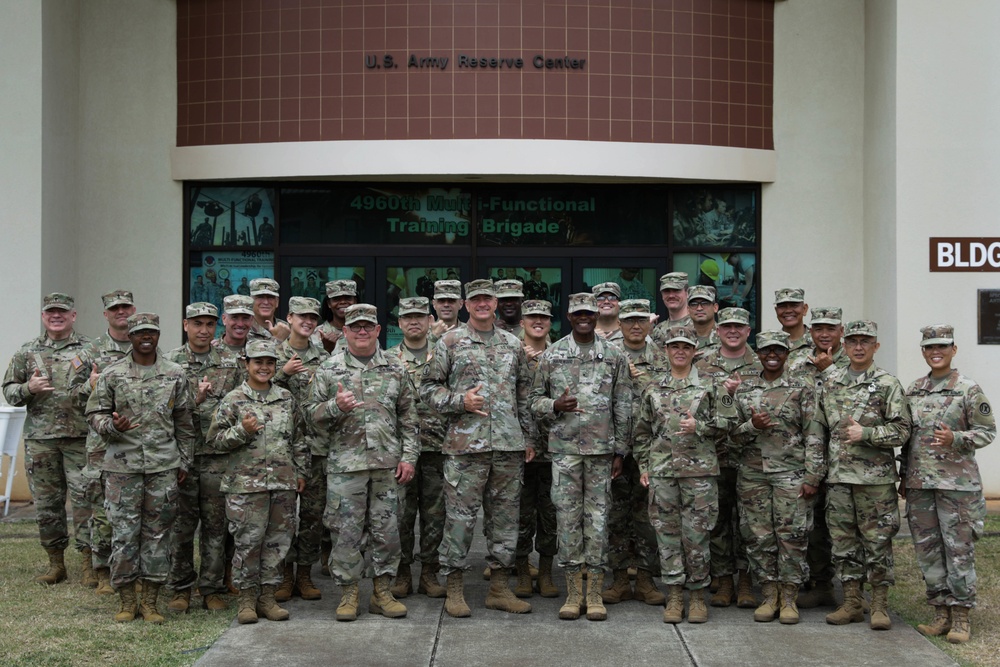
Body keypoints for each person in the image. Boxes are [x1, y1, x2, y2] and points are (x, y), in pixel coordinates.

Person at [419, 279, 537, 618]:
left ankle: (499, 589)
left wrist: (528, 438)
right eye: (476, 300)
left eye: (488, 299)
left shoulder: (513, 344)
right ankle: (454, 589)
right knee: (459, 520)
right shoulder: (449, 342)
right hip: (465, 448)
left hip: (507, 447)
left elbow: (525, 395)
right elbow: (428, 388)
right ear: (466, 305)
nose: (482, 304)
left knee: (505, 520)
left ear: (496, 302)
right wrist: (460, 401)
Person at [305, 304, 419, 621]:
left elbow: (409, 419)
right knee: (346, 533)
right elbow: (309, 417)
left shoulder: (396, 369)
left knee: (388, 531)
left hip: (387, 466)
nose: (362, 331)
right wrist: (333, 406)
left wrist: (409, 457)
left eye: (368, 326)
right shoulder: (329, 370)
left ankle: (382, 593)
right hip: (345, 466)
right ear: (345, 331)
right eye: (355, 327)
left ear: (379, 330)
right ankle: (349, 594)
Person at [86, 313, 196, 624]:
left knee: (158, 535)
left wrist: (184, 461)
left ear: (158, 335)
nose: (145, 337)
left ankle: (150, 602)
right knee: (124, 534)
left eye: (151, 332)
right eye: (139, 332)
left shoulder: (175, 374)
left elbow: (185, 423)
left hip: (163, 466)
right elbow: (94, 414)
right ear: (130, 336)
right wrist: (112, 425)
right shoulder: (113, 373)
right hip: (123, 468)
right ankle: (126, 600)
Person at [529, 292, 632, 621]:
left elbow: (624, 405)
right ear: (570, 317)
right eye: (578, 313)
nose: (585, 317)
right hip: (565, 453)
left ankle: (595, 592)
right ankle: (574, 591)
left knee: (599, 522)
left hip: (602, 453)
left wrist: (621, 450)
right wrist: (554, 406)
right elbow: (533, 401)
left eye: (589, 312)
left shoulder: (614, 356)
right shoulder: (553, 355)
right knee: (568, 521)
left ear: (595, 316)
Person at [900, 324, 995, 644]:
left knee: (958, 550)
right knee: (928, 551)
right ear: (923, 351)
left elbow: (987, 431)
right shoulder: (913, 390)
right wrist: (903, 479)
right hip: (920, 485)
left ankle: (961, 616)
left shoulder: (968, 389)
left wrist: (957, 438)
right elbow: (907, 438)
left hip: (958, 486)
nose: (935, 352)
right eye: (929, 347)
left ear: (953, 349)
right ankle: (940, 613)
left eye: (941, 346)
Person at [634, 325, 733, 624]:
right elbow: (641, 432)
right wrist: (644, 466)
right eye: (674, 346)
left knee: (698, 535)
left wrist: (700, 427)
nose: (680, 351)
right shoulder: (652, 387)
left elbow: (730, 423)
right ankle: (675, 595)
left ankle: (698, 596)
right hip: (663, 473)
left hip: (699, 474)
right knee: (667, 535)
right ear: (666, 351)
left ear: (694, 351)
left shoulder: (713, 385)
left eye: (686, 347)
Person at [819, 320, 911, 631]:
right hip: (839, 478)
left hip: (875, 481)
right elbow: (820, 429)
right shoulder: (830, 382)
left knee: (877, 542)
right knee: (843, 543)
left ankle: (880, 604)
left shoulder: (888, 384)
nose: (859, 347)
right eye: (854, 341)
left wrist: (867, 433)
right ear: (844, 345)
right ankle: (852, 602)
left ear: (876, 346)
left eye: (866, 341)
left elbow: (902, 430)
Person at [208, 339, 308, 624]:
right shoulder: (233, 399)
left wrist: (301, 472)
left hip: (282, 484)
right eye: (258, 362)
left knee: (278, 542)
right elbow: (215, 441)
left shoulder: (286, 399)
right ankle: (246, 600)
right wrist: (242, 430)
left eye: (269, 362)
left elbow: (299, 439)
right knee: (248, 543)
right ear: (246, 364)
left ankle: (268, 597)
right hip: (245, 486)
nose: (264, 367)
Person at [730, 331, 826, 624]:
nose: (772, 355)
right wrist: (752, 426)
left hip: (791, 474)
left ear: (787, 353)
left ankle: (789, 598)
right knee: (758, 537)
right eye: (766, 350)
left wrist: (813, 476)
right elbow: (729, 436)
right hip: (753, 475)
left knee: (792, 536)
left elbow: (814, 433)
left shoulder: (802, 388)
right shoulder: (744, 390)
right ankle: (769, 595)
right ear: (757, 353)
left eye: (779, 350)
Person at [2, 293, 94, 587]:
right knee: (47, 504)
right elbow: (9, 391)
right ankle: (56, 563)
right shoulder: (27, 351)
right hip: (41, 440)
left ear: (73, 316)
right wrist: (28, 388)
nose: (56, 316)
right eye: (51, 312)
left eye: (62, 312)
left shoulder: (90, 349)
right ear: (44, 316)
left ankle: (89, 562)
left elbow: (104, 387)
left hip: (81, 439)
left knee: (86, 502)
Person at [163, 303, 244, 613]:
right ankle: (180, 588)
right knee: (181, 527)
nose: (204, 330)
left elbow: (242, 403)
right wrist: (190, 401)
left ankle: (211, 587)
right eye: (198, 323)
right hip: (181, 458)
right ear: (186, 325)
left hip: (216, 457)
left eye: (210, 324)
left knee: (215, 526)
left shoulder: (230, 362)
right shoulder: (170, 363)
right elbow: (158, 410)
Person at [602, 299, 669, 607]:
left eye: (641, 320)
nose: (635, 326)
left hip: (650, 448)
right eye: (629, 320)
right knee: (616, 514)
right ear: (619, 323)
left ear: (650, 323)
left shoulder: (662, 356)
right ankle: (617, 577)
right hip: (614, 446)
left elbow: (668, 398)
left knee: (646, 515)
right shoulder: (607, 355)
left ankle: (644, 577)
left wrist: (640, 378)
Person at [695, 307, 762, 609]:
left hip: (752, 457)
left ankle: (746, 579)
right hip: (716, 454)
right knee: (718, 520)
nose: (733, 331)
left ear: (748, 331)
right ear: (718, 331)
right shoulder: (703, 365)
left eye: (739, 326)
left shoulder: (762, 365)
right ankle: (723, 580)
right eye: (727, 326)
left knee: (748, 522)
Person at [386, 297, 449, 599]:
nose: (414, 322)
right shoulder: (387, 359)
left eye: (420, 317)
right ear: (399, 323)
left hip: (438, 448)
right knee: (401, 515)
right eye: (407, 317)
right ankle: (401, 573)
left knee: (436, 516)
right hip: (400, 452)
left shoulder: (444, 355)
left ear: (429, 320)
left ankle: (429, 572)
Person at [787, 306, 848, 609]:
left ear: (842, 331)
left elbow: (854, 403)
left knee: (845, 526)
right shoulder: (799, 363)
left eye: (831, 328)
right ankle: (820, 584)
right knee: (812, 525)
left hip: (845, 458)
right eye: (818, 328)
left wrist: (830, 370)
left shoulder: (853, 362)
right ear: (810, 331)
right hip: (806, 456)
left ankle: (855, 592)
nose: (824, 334)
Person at [271, 297, 329, 603]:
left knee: (312, 516)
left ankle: (304, 575)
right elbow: (259, 388)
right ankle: (284, 575)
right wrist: (284, 373)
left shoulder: (324, 357)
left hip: (317, 447)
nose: (307, 321)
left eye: (312, 317)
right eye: (301, 316)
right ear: (290, 318)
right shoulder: (274, 355)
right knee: (282, 516)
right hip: (281, 448)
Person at [81, 289, 137, 594]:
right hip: (102, 445)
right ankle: (101, 569)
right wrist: (89, 387)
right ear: (106, 314)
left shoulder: (145, 345)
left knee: (131, 508)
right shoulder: (91, 352)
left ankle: (132, 569)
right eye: (115, 308)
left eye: (126, 307)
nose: (121, 312)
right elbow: (71, 394)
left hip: (136, 444)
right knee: (103, 508)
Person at [514, 300, 558, 599]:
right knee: (518, 514)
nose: (537, 322)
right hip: (517, 448)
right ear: (522, 322)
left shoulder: (560, 354)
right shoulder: (509, 351)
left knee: (551, 515)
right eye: (532, 317)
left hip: (553, 448)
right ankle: (521, 572)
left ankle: (545, 573)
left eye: (543, 317)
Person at [313, 279, 357, 353]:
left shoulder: (364, 332)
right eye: (336, 299)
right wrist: (326, 350)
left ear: (355, 301)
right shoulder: (316, 334)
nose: (343, 302)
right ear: (329, 304)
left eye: (348, 298)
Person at [650, 272, 691, 348]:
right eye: (667, 291)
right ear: (662, 295)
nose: (671, 295)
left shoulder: (698, 326)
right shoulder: (657, 330)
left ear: (687, 292)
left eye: (676, 290)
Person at [773, 288, 810, 368]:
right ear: (776, 311)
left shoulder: (819, 342)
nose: (788, 311)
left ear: (804, 309)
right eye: (782, 306)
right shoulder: (771, 344)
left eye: (794, 305)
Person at [247, 278, 290, 342]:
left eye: (270, 297)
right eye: (260, 297)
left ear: (277, 302)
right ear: (250, 301)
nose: (266, 302)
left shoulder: (287, 330)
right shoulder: (243, 329)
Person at [687, 285, 719, 355]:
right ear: (688, 309)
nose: (699, 308)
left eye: (705, 303)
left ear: (715, 308)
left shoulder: (726, 336)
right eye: (694, 304)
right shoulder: (680, 335)